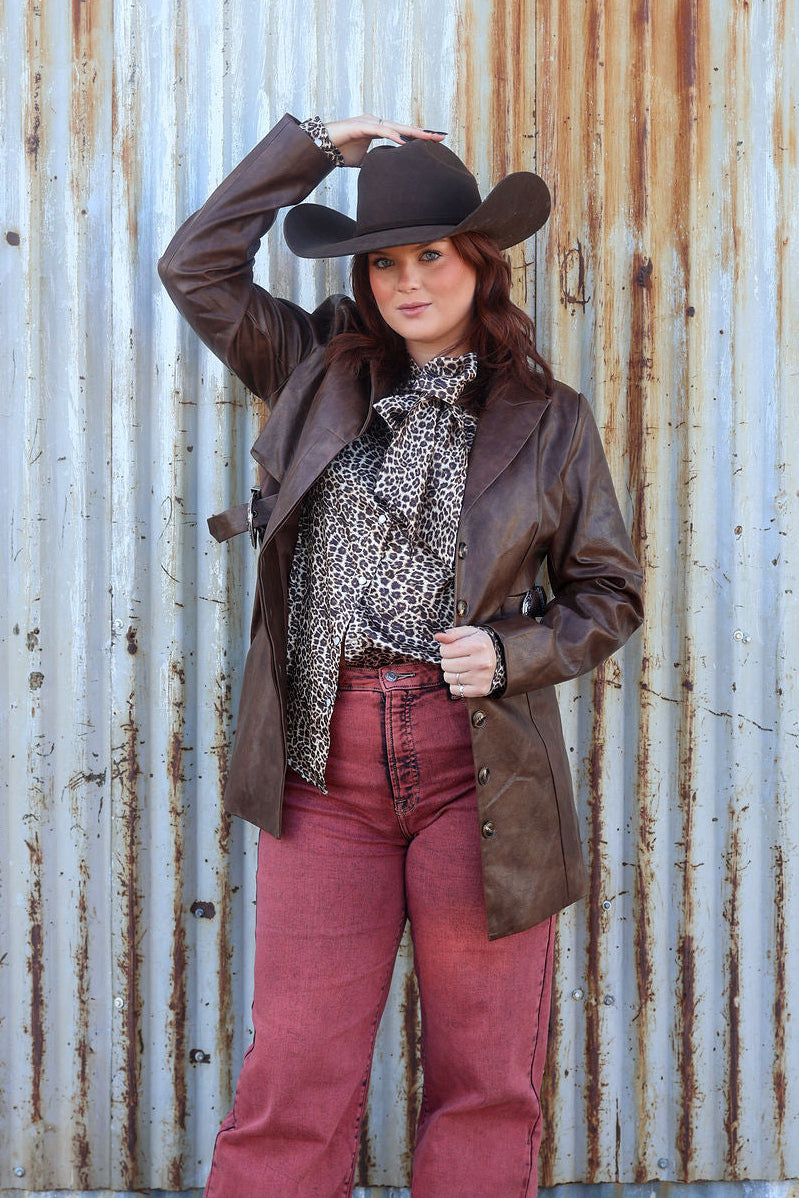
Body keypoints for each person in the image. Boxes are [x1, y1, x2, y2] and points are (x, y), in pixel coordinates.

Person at [159, 112, 643, 1198]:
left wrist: (515, 650)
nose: (406, 282)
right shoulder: (311, 366)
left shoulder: (549, 420)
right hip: (324, 766)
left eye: (431, 254)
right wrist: (315, 147)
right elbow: (193, 265)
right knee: (296, 1072)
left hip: (483, 770)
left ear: (479, 259)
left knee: (484, 1081)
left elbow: (609, 592)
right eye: (384, 261)